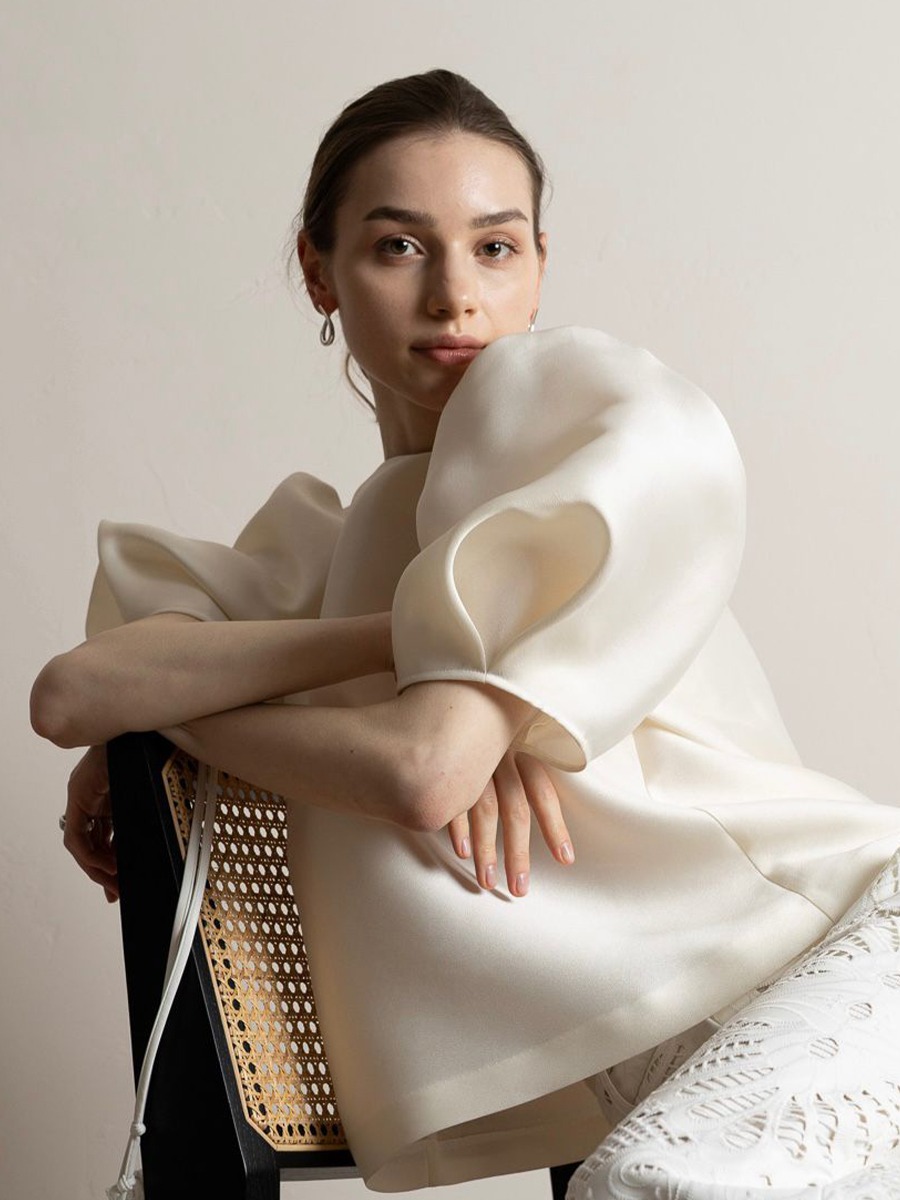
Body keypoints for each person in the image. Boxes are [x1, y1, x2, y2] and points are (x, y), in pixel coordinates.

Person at [30, 69, 900, 1199]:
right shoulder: (319, 554)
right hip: (688, 1043)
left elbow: (422, 771)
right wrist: (396, 642)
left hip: (847, 947)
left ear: (538, 268)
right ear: (318, 271)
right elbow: (69, 696)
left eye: (495, 248)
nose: (454, 297)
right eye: (399, 247)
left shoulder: (572, 428)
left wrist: (179, 718)